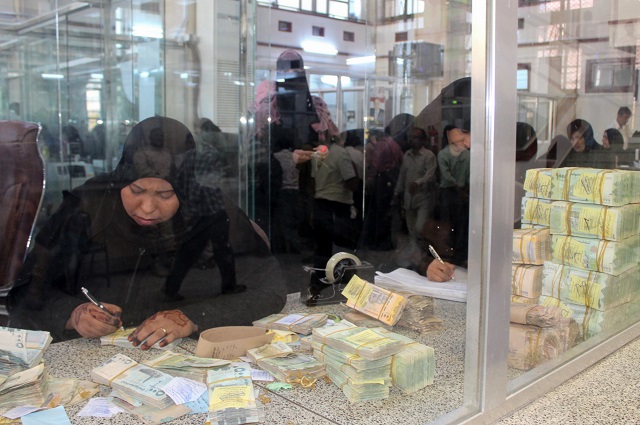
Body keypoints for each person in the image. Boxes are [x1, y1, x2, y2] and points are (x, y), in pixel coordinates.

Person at [8, 116, 288, 345]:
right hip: (90, 361)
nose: (147, 208)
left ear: (186, 187)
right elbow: (25, 293)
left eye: (166, 194)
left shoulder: (215, 212)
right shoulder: (87, 205)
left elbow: (270, 288)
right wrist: (71, 314)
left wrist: (191, 317)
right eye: (136, 190)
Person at [393, 127, 438, 245]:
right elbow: (402, 176)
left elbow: (430, 175)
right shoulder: (407, 155)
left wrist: (417, 183)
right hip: (409, 197)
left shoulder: (429, 156)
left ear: (423, 140)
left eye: (415, 137)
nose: (411, 140)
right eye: (410, 137)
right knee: (411, 230)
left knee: (420, 227)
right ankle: (415, 255)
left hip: (424, 197)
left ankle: (424, 252)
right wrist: (397, 192)